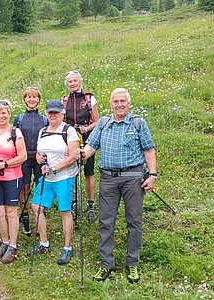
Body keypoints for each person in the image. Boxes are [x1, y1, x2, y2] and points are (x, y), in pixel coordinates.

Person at [80, 88, 157, 283]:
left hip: (134, 179)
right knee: (106, 222)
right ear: (111, 104)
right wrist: (82, 154)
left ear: (129, 103)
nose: (119, 104)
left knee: (134, 222)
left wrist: (153, 175)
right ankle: (106, 264)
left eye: (123, 101)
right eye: (116, 101)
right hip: (108, 179)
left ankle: (132, 264)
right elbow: (91, 146)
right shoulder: (104, 123)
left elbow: (149, 150)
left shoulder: (138, 123)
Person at [29, 100, 79, 265]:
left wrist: (55, 168)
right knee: (36, 207)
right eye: (50, 112)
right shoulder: (43, 131)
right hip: (47, 177)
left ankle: (67, 247)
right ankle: (44, 242)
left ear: (62, 113)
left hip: (64, 176)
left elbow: (73, 156)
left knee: (64, 210)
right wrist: (39, 160)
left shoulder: (68, 130)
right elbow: (38, 153)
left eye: (56, 113)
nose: (52, 115)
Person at [0, 99, 27, 264]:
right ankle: (5, 242)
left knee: (11, 212)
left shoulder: (16, 132)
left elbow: (22, 156)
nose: (1, 116)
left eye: (4, 113)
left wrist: (4, 164)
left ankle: (13, 246)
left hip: (12, 177)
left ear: (9, 114)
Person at [63, 70, 99, 222]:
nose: (72, 84)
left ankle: (91, 205)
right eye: (70, 82)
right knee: (72, 171)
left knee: (89, 172)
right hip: (72, 139)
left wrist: (86, 129)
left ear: (80, 82)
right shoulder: (65, 100)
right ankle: (73, 205)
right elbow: (62, 120)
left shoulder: (89, 98)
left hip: (88, 138)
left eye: (75, 81)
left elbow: (97, 121)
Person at [13, 87, 48, 236]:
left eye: (35, 97)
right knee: (24, 188)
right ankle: (25, 215)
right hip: (25, 158)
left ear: (39, 99)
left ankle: (40, 218)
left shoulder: (44, 119)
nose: (32, 99)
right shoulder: (19, 119)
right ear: (25, 99)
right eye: (29, 97)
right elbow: (15, 139)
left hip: (40, 158)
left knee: (42, 187)